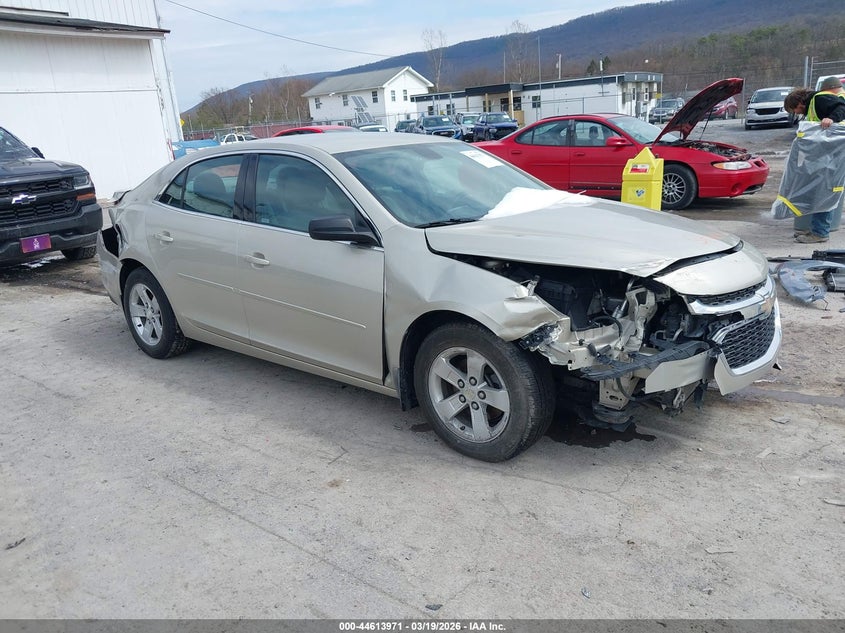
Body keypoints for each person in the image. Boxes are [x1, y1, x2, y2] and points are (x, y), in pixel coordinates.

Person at [783, 85, 845, 243]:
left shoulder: (819, 99)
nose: (795, 113)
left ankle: (820, 233)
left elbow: (842, 107)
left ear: (798, 103)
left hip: (835, 155)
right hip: (828, 155)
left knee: (825, 193)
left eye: (793, 110)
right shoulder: (812, 106)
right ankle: (815, 229)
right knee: (819, 191)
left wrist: (832, 118)